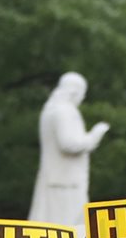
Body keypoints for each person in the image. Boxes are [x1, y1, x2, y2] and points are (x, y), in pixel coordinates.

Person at [27, 72, 109, 228]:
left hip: (57, 177)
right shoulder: (64, 111)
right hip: (66, 181)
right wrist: (94, 136)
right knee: (68, 225)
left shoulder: (50, 110)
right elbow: (69, 144)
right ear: (75, 92)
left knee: (52, 222)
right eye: (82, 95)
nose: (81, 99)